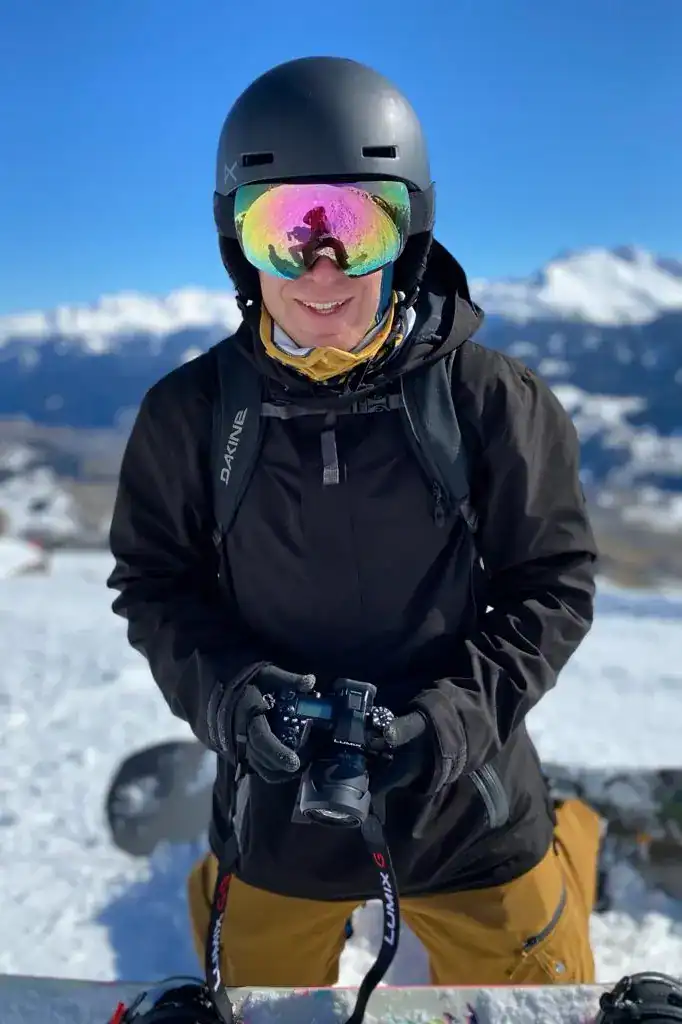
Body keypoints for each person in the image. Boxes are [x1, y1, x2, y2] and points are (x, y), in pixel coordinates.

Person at [107, 55, 602, 989]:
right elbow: (155, 582)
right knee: (247, 997)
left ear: (406, 238)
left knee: (547, 996)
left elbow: (553, 584)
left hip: (469, 803)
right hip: (275, 804)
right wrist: (228, 696)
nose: (322, 268)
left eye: (355, 227)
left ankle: (577, 832)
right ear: (239, 245)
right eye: (286, 231)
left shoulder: (492, 399)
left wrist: (450, 725)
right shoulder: (191, 414)